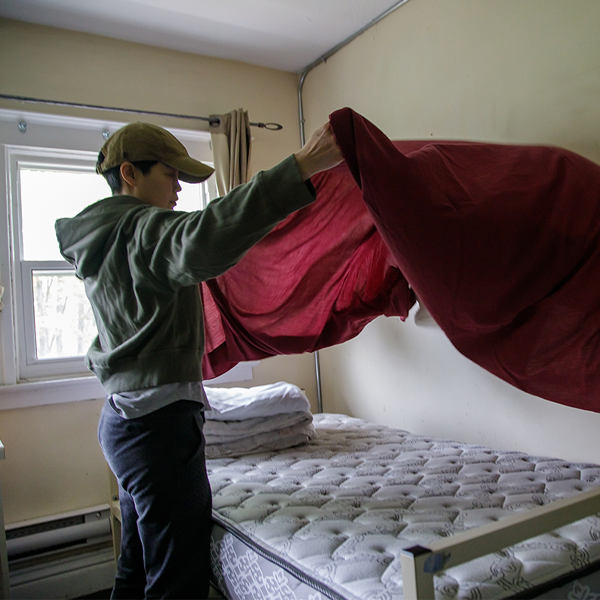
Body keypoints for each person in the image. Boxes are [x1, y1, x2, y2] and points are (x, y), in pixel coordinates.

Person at [55, 120, 343, 600]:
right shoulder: (143, 230)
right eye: (171, 176)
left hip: (124, 423)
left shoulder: (104, 235)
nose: (179, 190)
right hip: (158, 429)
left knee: (138, 566)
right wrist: (303, 166)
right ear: (130, 172)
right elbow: (209, 231)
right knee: (177, 582)